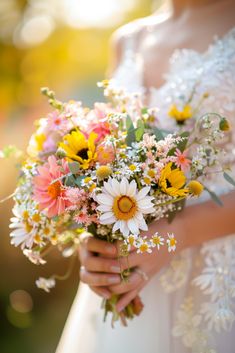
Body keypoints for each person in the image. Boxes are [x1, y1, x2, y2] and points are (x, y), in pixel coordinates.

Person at [56, 1, 235, 352]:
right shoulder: (127, 39)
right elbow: (105, 149)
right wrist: (94, 231)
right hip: (130, 269)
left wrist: (176, 233)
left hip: (216, 274)